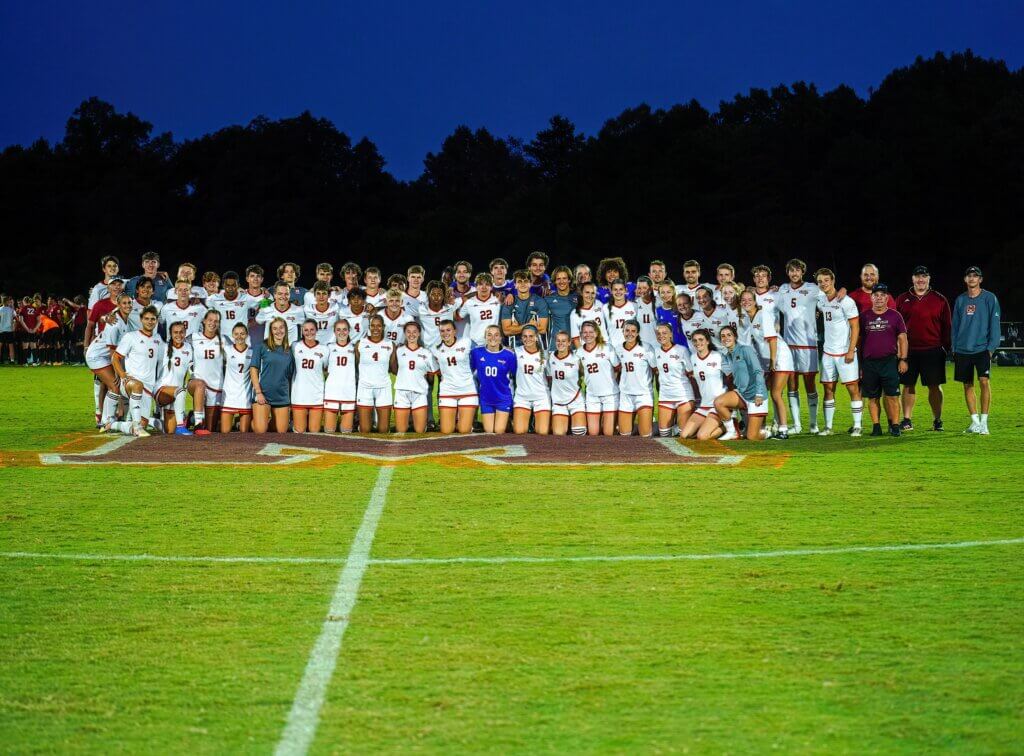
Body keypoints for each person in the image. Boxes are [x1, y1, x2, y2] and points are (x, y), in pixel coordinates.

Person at [896, 266, 952, 432]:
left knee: (934, 386)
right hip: (908, 350)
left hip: (933, 349)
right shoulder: (902, 299)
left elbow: (947, 326)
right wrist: (899, 351)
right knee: (907, 385)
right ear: (912, 279)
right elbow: (896, 327)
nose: (921, 280)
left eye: (924, 277)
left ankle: (937, 420)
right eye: (917, 277)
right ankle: (906, 420)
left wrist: (946, 348)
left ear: (929, 279)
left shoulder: (939, 299)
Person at [952, 266, 1001, 435]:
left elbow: (995, 325)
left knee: (984, 382)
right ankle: (974, 421)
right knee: (967, 385)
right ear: (965, 280)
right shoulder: (960, 300)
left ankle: (984, 422)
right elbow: (955, 326)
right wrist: (954, 347)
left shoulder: (990, 298)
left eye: (975, 276)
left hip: (982, 349)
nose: (972, 278)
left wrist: (991, 348)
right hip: (963, 349)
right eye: (969, 276)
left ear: (980, 279)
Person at [738, 288, 792, 439]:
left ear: (755, 301)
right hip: (767, 359)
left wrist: (773, 362)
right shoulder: (748, 318)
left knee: (776, 393)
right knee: (762, 391)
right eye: (743, 300)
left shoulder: (764, 315)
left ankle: (783, 430)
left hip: (780, 357)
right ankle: (761, 426)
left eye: (749, 299)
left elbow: (772, 339)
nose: (746, 302)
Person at [815, 269, 863, 436]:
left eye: (826, 280)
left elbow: (855, 327)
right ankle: (828, 427)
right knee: (828, 390)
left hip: (845, 353)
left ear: (833, 280)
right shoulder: (820, 300)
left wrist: (851, 350)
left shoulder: (846, 301)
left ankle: (857, 425)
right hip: (828, 353)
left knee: (853, 389)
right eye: (820, 281)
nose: (823, 284)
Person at [776, 259, 821, 434]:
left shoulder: (813, 288)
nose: (794, 273)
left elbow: (828, 298)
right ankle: (796, 425)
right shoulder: (782, 290)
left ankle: (813, 424)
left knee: (810, 384)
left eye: (797, 270)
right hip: (788, 346)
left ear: (803, 272)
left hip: (808, 344)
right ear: (787, 273)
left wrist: (841, 290)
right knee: (792, 385)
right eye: (791, 271)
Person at [859, 284, 909, 437]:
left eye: (882, 295)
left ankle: (894, 425)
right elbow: (859, 340)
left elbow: (902, 339)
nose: (879, 297)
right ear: (871, 297)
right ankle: (876, 426)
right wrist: (860, 364)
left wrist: (903, 359)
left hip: (889, 362)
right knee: (872, 397)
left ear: (887, 298)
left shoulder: (895, 316)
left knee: (892, 396)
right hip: (869, 363)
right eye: (876, 295)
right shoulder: (864, 316)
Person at [107, 306, 164, 437]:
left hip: (148, 386)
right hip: (130, 383)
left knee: (144, 423)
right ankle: (137, 427)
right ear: (141, 320)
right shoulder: (131, 337)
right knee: (138, 385)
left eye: (153, 319)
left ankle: (113, 424)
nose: (150, 322)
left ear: (156, 321)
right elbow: (115, 357)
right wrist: (122, 375)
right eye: (147, 319)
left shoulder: (158, 340)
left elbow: (161, 363)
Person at [86, 292, 135, 428]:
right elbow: (113, 352)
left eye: (129, 303)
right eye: (124, 303)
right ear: (118, 305)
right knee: (115, 385)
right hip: (97, 356)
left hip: (107, 356)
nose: (128, 305)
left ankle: (117, 417)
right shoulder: (115, 324)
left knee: (118, 385)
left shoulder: (125, 319)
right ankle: (106, 420)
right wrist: (120, 372)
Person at [714, 325, 768, 441]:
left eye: (729, 335)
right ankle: (732, 432)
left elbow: (758, 371)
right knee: (719, 402)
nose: (726, 338)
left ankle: (767, 432)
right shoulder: (728, 355)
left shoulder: (745, 350)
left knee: (752, 437)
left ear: (735, 337)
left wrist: (759, 394)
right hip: (742, 394)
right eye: (723, 336)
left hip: (755, 395)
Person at [680, 329, 732, 441]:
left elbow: (730, 376)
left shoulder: (717, 356)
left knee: (702, 436)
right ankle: (711, 425)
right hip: (704, 405)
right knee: (684, 435)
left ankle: (726, 426)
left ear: (708, 341)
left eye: (701, 340)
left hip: (717, 405)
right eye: (695, 341)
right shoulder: (693, 357)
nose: (698, 343)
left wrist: (729, 400)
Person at [432, 320, 478, 434]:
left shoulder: (466, 342)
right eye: (442, 331)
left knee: (463, 430)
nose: (445, 333)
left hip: (467, 390)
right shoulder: (435, 349)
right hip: (447, 391)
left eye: (448, 330)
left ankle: (465, 423)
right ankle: (457, 421)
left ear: (455, 331)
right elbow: (435, 368)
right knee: (446, 431)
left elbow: (479, 357)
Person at [250, 317, 295, 433]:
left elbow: (290, 376)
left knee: (281, 431)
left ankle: (267, 420)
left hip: (281, 397)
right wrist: (258, 392)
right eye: (275, 328)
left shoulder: (290, 351)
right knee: (260, 430)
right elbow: (253, 369)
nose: (278, 331)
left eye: (281, 327)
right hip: (263, 395)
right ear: (271, 331)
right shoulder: (261, 346)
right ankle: (255, 420)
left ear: (285, 329)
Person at [391, 321, 437, 433]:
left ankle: (421, 423)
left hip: (419, 393)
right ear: (405, 333)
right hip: (402, 392)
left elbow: (433, 372)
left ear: (419, 333)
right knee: (401, 430)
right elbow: (394, 368)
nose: (411, 335)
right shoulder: (399, 350)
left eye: (414, 332)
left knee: (420, 430)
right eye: (408, 332)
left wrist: (425, 381)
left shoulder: (426, 352)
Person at [470, 325, 516, 433]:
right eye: (489, 335)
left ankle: (508, 420)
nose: (493, 338)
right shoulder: (476, 353)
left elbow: (515, 376)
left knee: (499, 431)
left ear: (501, 338)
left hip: (503, 398)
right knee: (489, 431)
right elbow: (469, 371)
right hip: (486, 399)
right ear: (485, 337)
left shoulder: (509, 355)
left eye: (496, 335)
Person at [653, 323, 695, 437]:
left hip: (683, 395)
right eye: (658, 333)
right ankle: (675, 427)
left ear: (671, 334)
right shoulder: (655, 352)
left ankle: (686, 427)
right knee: (664, 434)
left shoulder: (682, 350)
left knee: (684, 435)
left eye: (665, 333)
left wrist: (695, 398)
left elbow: (691, 374)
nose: (661, 336)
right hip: (665, 395)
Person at [578, 321, 620, 436]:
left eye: (591, 332)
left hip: (610, 395)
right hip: (592, 395)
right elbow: (580, 373)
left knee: (608, 433)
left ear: (596, 333)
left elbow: (618, 368)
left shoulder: (607, 348)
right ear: (581, 334)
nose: (588, 335)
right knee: (593, 433)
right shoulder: (579, 352)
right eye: (585, 332)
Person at [615, 320, 656, 437]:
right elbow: (616, 371)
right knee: (624, 434)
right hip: (625, 395)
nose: (630, 333)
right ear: (622, 331)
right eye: (627, 330)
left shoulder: (646, 348)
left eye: (633, 331)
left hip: (643, 395)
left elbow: (655, 370)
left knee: (645, 435)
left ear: (638, 333)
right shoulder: (618, 349)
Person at [188, 309, 226, 435]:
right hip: (197, 383)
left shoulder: (224, 341)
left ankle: (192, 417)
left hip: (216, 387)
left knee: (212, 429)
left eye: (216, 321)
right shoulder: (193, 338)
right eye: (210, 320)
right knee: (200, 385)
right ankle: (198, 422)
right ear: (204, 321)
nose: (212, 323)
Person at [154, 321, 194, 435]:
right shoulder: (163, 347)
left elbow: (190, 370)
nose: (179, 335)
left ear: (185, 332)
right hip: (162, 390)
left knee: (169, 431)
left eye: (181, 332)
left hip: (175, 397)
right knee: (181, 391)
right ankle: (181, 426)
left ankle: (151, 421)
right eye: (175, 332)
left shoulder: (188, 347)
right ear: (170, 334)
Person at [355, 315, 395, 432]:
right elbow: (357, 363)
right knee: (365, 430)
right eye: (372, 326)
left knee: (383, 430)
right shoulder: (360, 344)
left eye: (378, 326)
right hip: (365, 387)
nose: (375, 329)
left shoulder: (390, 345)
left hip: (383, 387)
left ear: (383, 327)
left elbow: (393, 368)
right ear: (369, 327)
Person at [290, 320, 328, 433]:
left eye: (312, 329)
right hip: (299, 394)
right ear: (302, 331)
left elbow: (326, 369)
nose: (309, 332)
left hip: (316, 394)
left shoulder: (324, 349)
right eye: (306, 330)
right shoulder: (295, 346)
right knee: (299, 431)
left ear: (316, 330)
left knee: (314, 432)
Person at [512, 325, 551, 435]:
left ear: (536, 337)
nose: (527, 339)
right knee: (519, 432)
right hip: (522, 397)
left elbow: (551, 378)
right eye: (524, 336)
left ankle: (534, 422)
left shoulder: (545, 355)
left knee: (542, 433)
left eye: (530, 336)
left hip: (541, 397)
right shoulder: (516, 352)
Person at [547, 331, 586, 436]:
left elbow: (586, 377)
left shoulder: (577, 358)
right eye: (558, 341)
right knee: (558, 435)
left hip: (575, 401)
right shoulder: (549, 357)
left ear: (569, 343)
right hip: (559, 402)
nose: (560, 343)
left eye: (564, 341)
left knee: (579, 433)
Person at [323, 319, 358, 433]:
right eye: (338, 329)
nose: (341, 332)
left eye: (344, 329)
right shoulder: (328, 348)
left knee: (346, 431)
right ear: (334, 331)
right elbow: (322, 367)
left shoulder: (355, 348)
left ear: (349, 331)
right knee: (329, 430)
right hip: (331, 391)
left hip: (349, 392)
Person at [220, 323, 254, 433]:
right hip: (229, 396)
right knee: (225, 433)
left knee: (244, 434)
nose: (239, 336)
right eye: (236, 334)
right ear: (232, 335)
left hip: (245, 397)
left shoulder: (252, 352)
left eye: (242, 334)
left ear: (247, 335)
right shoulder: (227, 350)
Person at [502, 270, 549, 348]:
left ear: (530, 284)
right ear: (515, 285)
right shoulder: (509, 302)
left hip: (536, 345)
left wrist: (515, 329)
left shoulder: (539, 301)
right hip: (516, 347)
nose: (523, 284)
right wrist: (529, 325)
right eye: (519, 281)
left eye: (526, 281)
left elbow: (543, 329)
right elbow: (506, 331)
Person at [208, 271, 255, 341]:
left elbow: (260, 305)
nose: (230, 288)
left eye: (233, 285)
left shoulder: (246, 298)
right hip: (222, 340)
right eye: (228, 285)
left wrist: (253, 319)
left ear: (238, 285)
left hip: (241, 340)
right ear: (223, 285)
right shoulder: (214, 299)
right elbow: (203, 303)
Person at [457, 273, 501, 347]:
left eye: (487, 284)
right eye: (480, 284)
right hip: (475, 343)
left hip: (493, 343)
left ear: (491, 287)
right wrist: (461, 303)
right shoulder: (469, 302)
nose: (484, 287)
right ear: (476, 287)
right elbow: (458, 317)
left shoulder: (498, 300)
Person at [570, 282, 609, 348]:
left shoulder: (599, 304)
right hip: (588, 349)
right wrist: (583, 355)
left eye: (593, 293)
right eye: (587, 292)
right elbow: (576, 339)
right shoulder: (575, 314)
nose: (590, 295)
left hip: (604, 346)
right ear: (581, 293)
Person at [544, 266, 578, 340]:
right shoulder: (548, 299)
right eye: (558, 279)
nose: (561, 281)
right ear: (555, 281)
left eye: (564, 278)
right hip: (556, 345)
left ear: (569, 280)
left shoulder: (579, 298)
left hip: (575, 345)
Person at [603, 279, 639, 350]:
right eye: (615, 289)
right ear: (611, 291)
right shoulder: (605, 308)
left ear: (625, 290)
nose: (618, 292)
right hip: (612, 349)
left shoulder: (634, 306)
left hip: (631, 348)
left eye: (621, 289)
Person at [633, 277, 658, 348]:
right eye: (639, 288)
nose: (641, 290)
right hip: (641, 344)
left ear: (650, 288)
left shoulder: (658, 302)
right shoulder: (635, 304)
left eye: (644, 288)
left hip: (657, 344)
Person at [0, 295, 15, 364]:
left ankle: (7, 359)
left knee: (0, 345)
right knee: (10, 346)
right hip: (9, 330)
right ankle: (12, 360)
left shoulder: (0, 309)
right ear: (7, 301)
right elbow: (15, 319)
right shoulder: (11, 310)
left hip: (1, 330)